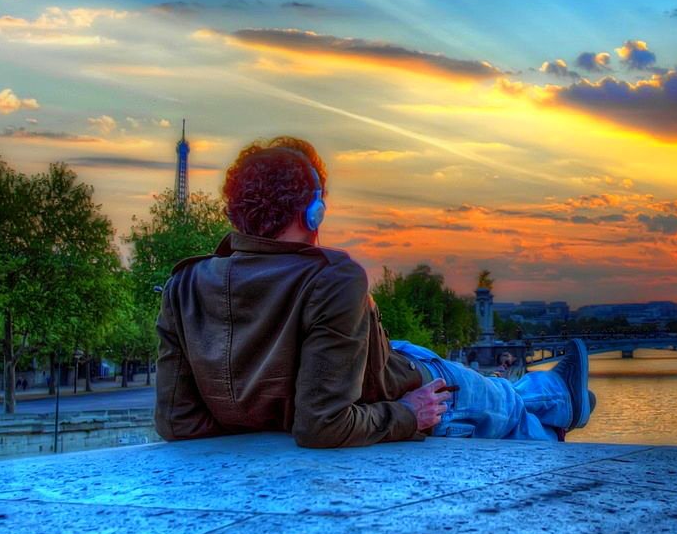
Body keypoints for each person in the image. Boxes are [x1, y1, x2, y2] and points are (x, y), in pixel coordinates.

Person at [154, 136, 593, 447]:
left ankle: (554, 397)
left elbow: (177, 422)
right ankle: (556, 408)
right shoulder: (332, 278)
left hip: (384, 358)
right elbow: (322, 424)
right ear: (313, 211)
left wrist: (261, 415)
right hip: (406, 387)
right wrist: (408, 414)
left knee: (425, 358)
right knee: (504, 408)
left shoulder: (183, 285)